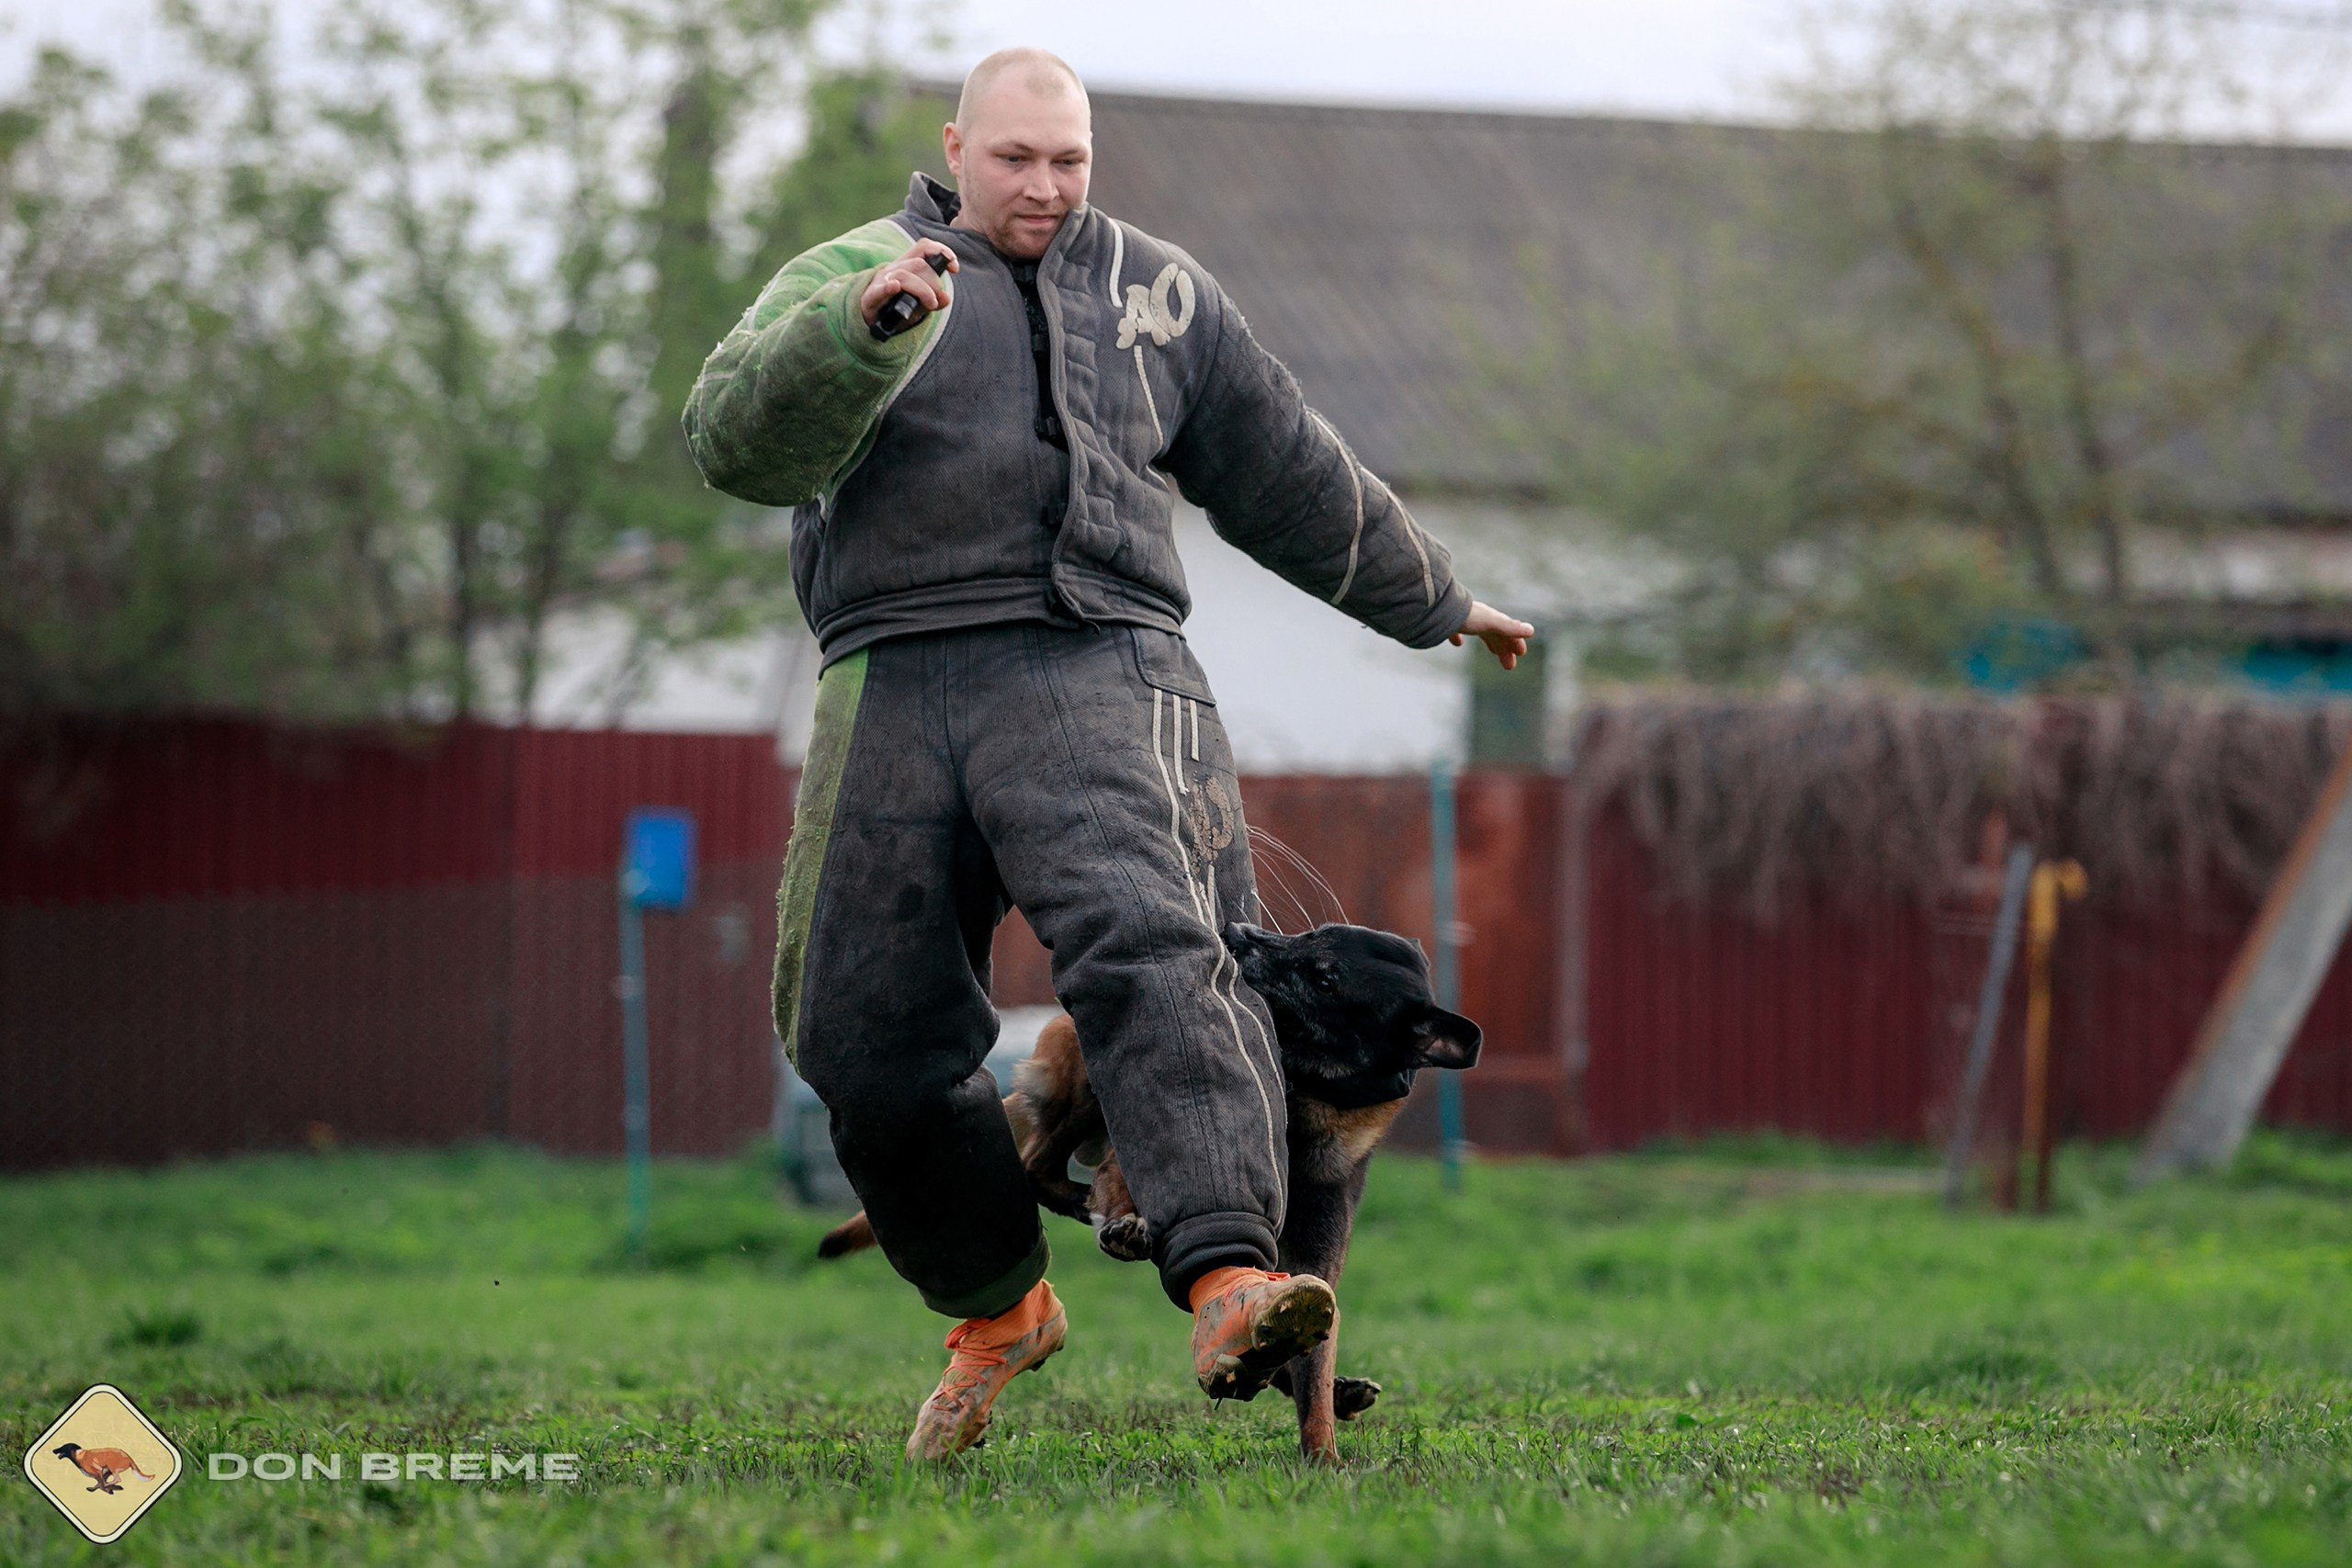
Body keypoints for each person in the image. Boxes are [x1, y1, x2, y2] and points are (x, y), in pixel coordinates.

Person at [683, 46, 1532, 1461]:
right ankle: (995, 1305)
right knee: (860, 1035)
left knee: (1161, 952)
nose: (1046, 186)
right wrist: (859, 329)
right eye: (1016, 159)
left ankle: (1230, 1277)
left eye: (1069, 160)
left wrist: (1433, 596)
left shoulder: (1160, 293)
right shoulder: (852, 267)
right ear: (958, 148)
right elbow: (731, 439)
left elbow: (1284, 462)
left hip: (1102, 661)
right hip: (892, 671)